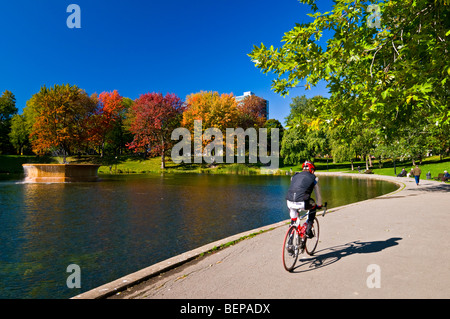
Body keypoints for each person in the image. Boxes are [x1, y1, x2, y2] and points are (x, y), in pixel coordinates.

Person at [286, 161, 323, 238]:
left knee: (294, 220)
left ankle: (290, 241)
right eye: (313, 170)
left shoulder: (294, 176)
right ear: (311, 170)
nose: (313, 172)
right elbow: (318, 194)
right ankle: (308, 227)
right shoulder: (314, 178)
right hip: (302, 202)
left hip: (289, 202)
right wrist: (319, 205)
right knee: (313, 206)